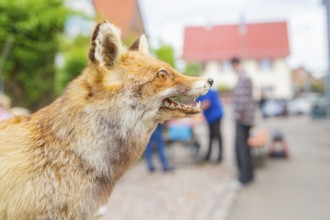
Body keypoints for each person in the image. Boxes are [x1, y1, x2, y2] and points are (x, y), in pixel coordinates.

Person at [231, 57, 256, 186]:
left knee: (240, 149)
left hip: (242, 119)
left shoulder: (242, 78)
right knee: (245, 148)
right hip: (248, 118)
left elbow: (240, 102)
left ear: (235, 65)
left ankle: (243, 179)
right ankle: (250, 176)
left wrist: (238, 117)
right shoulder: (246, 76)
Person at [197, 89, 224, 163]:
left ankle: (220, 156)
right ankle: (208, 155)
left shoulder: (208, 91)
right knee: (211, 136)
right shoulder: (199, 93)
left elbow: (206, 103)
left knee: (217, 135)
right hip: (210, 118)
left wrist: (196, 109)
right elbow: (195, 103)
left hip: (216, 116)